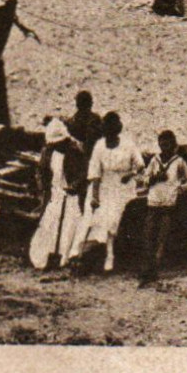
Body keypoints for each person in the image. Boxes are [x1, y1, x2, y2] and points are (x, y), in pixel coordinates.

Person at [69, 112, 144, 273]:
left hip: (122, 187)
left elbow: (140, 165)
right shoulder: (100, 145)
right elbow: (95, 172)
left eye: (112, 133)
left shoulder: (128, 144)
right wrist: (95, 196)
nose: (109, 137)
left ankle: (110, 256)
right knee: (92, 217)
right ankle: (81, 253)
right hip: (102, 185)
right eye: (107, 133)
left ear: (117, 131)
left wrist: (129, 175)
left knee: (111, 219)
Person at [27, 118, 87, 271]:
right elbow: (41, 170)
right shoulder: (48, 151)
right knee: (50, 223)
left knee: (69, 225)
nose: (56, 146)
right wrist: (42, 186)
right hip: (54, 193)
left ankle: (65, 257)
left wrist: (75, 185)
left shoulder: (75, 150)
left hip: (71, 195)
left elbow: (84, 172)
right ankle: (46, 255)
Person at [139, 130, 187, 284]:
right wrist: (154, 177)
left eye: (167, 144)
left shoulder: (178, 161)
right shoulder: (155, 160)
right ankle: (147, 271)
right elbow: (144, 179)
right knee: (148, 237)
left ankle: (154, 271)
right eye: (161, 144)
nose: (164, 147)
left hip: (168, 205)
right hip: (153, 203)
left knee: (161, 239)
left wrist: (179, 189)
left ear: (173, 144)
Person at [66, 91, 103, 157]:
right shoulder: (96, 119)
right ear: (91, 104)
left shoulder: (72, 121)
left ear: (77, 105)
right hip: (93, 154)